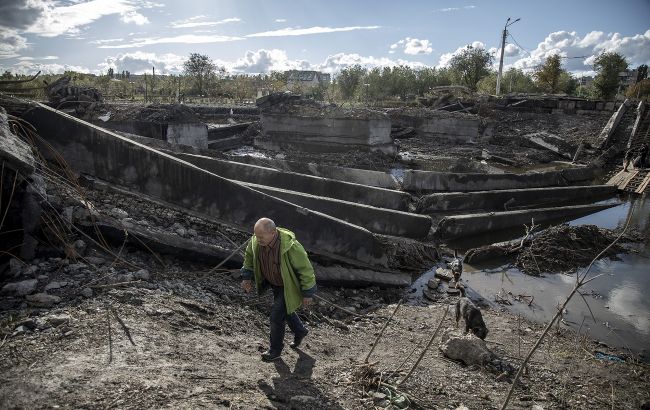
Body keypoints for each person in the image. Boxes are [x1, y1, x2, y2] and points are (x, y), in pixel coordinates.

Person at [241, 218, 317, 362]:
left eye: (261, 237)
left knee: (276, 316)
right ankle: (300, 330)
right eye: (256, 236)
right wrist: (246, 277)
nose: (258, 239)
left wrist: (308, 293)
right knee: (285, 309)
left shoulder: (291, 246)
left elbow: (306, 270)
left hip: (288, 285)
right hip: (273, 282)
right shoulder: (255, 241)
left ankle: (275, 350)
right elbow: (249, 258)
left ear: (273, 233)